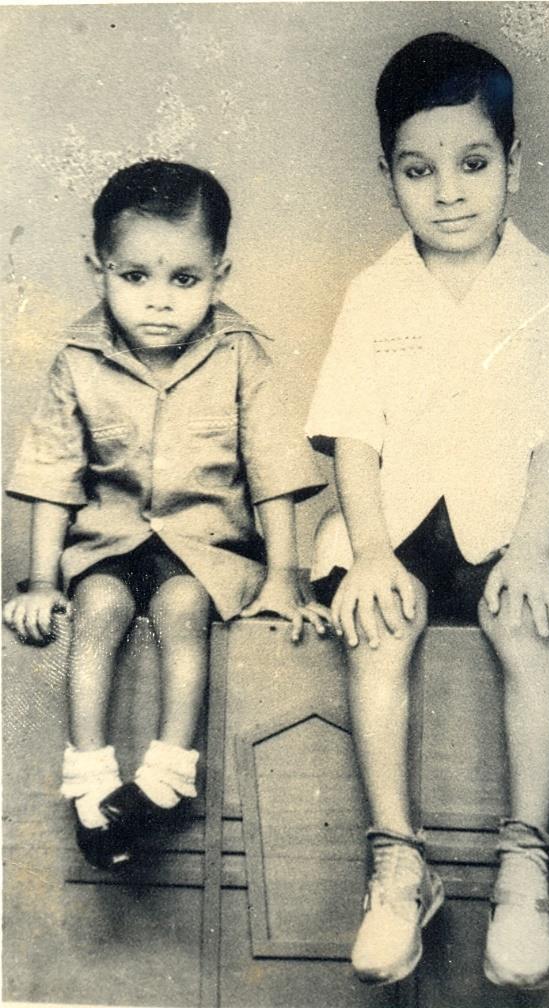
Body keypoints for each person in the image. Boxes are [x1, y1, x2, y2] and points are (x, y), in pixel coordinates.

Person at [306, 33, 549, 990]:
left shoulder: (541, 284)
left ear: (512, 165)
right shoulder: (373, 292)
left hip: (508, 523)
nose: (447, 193)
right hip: (394, 525)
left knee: (524, 621)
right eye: (419, 170)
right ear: (388, 179)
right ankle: (397, 862)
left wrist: (528, 552)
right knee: (376, 622)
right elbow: (352, 436)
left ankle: (523, 865)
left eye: (472, 164)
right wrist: (369, 553)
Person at [4, 159, 328, 873]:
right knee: (96, 609)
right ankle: (90, 781)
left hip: (207, 549)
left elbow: (274, 470)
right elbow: (53, 476)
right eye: (134, 277)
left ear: (220, 273)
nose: (158, 302)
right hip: (108, 541)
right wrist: (40, 583)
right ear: (98, 270)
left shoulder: (241, 355)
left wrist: (283, 576)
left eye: (184, 280)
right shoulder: (77, 360)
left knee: (182, 609)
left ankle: (166, 776)